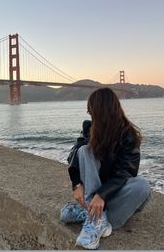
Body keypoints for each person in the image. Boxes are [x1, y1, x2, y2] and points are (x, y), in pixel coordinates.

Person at [60, 88, 151, 249]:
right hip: (94, 195)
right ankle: (96, 218)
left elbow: (125, 173)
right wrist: (76, 183)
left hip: (116, 195)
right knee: (84, 150)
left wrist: (102, 195)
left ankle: (90, 216)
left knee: (142, 186)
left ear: (102, 111)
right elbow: (74, 153)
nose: (89, 113)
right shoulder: (89, 129)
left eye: (91, 110)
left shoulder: (128, 136)